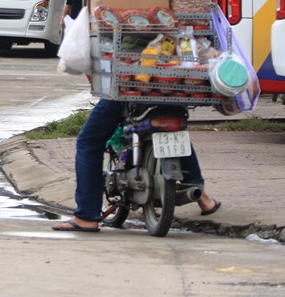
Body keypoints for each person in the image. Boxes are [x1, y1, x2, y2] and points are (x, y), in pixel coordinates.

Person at [52, 98, 221, 232]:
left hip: (133, 88)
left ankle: (86, 216)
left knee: (88, 141)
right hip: (176, 92)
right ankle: (203, 199)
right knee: (175, 130)